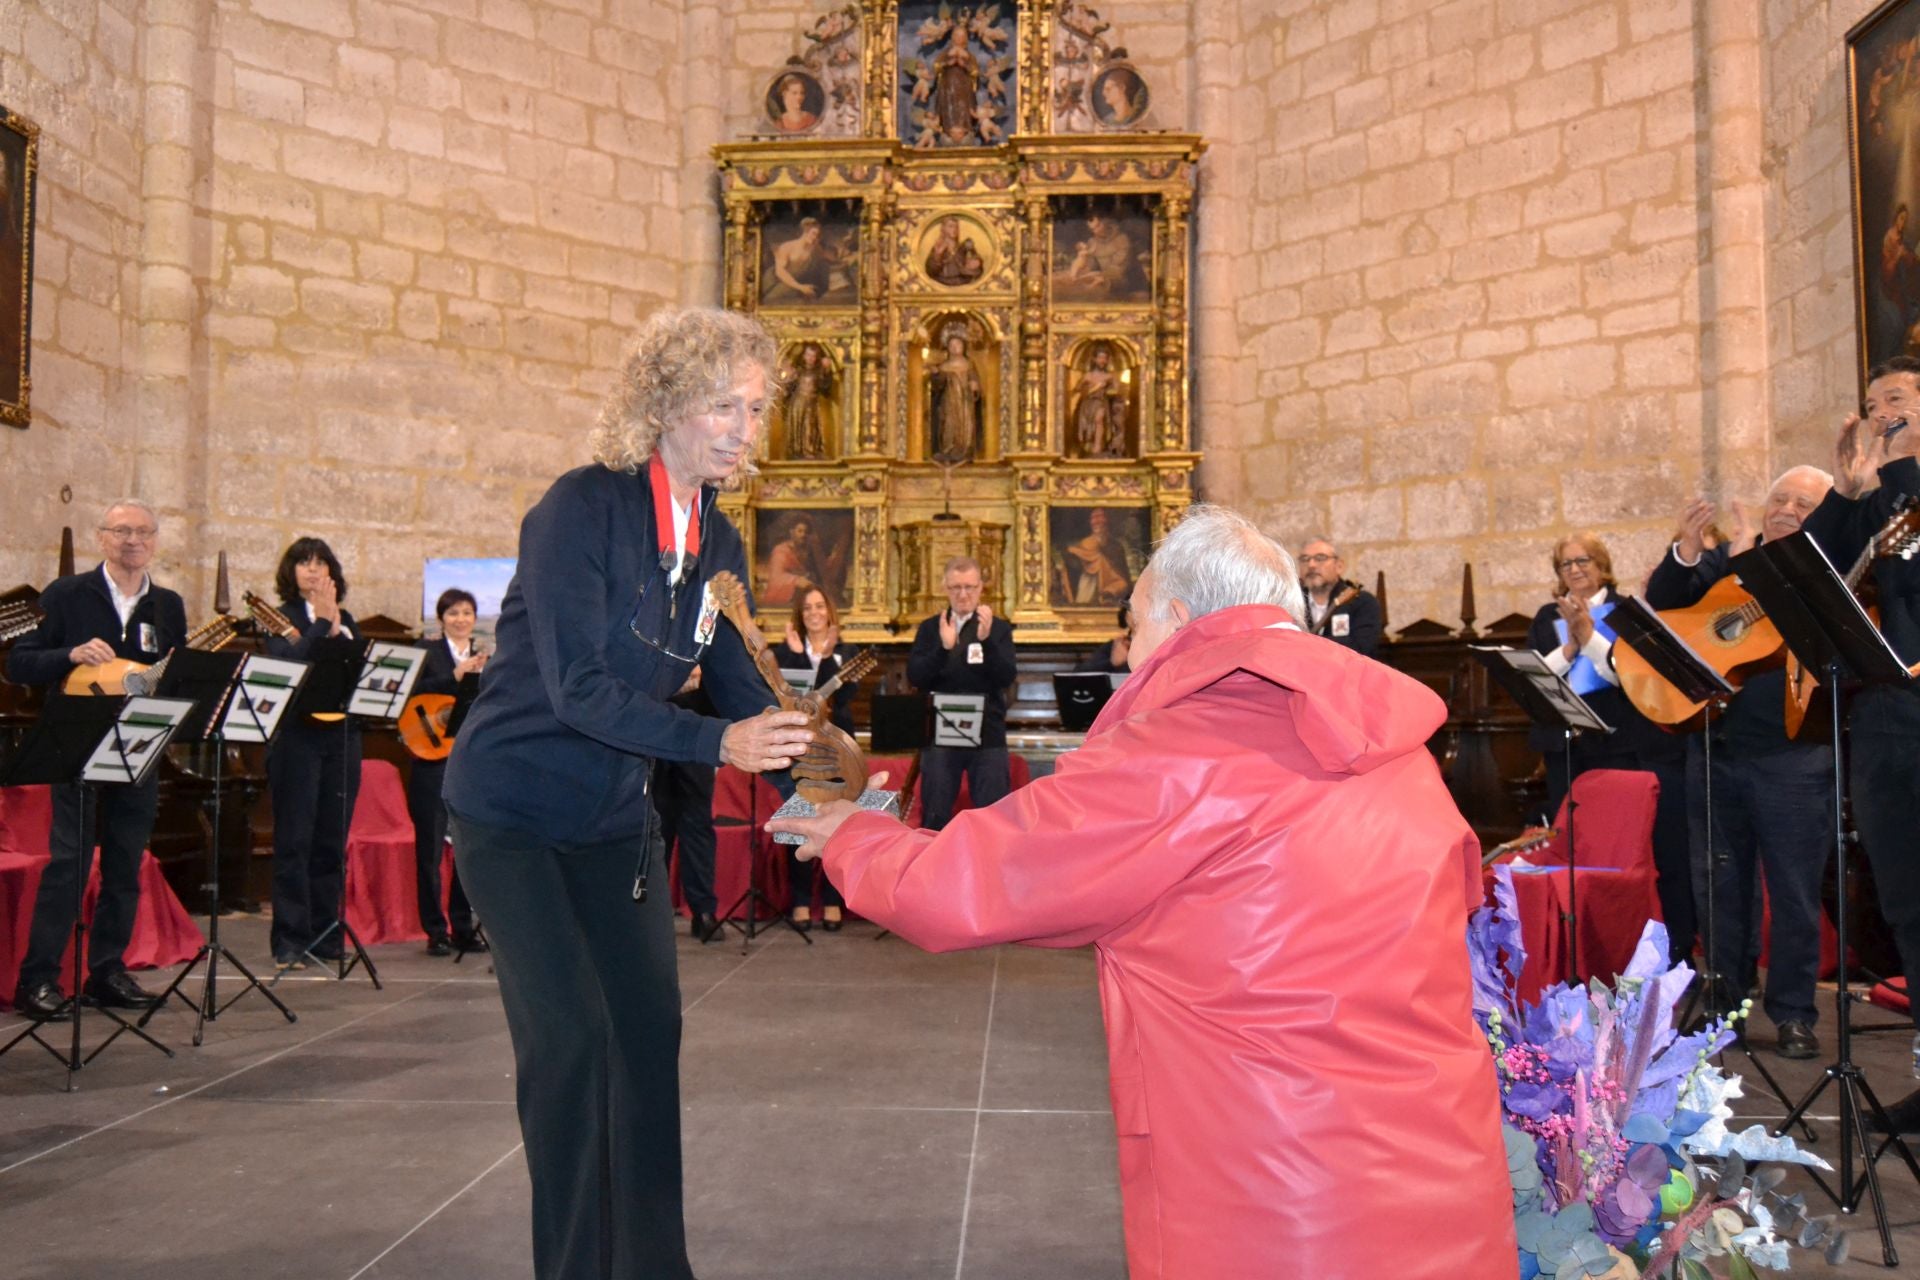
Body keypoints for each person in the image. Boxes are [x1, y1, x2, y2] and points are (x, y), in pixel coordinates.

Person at [770, 505, 1515, 1279]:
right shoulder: (1395, 747)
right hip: (1442, 1168)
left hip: (1285, 1195)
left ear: (1183, 619)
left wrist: (856, 836)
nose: (1128, 653)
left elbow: (977, 882)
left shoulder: (1191, 739)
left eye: (1133, 626)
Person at [442, 306, 814, 1279]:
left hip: (612, 823)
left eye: (755, 407)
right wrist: (715, 740)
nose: (743, 426)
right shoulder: (581, 508)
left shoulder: (719, 541)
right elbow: (578, 690)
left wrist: (818, 788)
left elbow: (740, 691)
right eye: (722, 404)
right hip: (511, 812)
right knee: (570, 1040)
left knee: (647, 1038)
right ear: (664, 402)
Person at [1648, 476, 1834, 1058]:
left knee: (1795, 892)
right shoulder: (1733, 568)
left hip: (1793, 756)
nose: (1786, 510)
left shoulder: (1832, 571)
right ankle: (1727, 1001)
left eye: (1803, 505)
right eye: (1780, 500)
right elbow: (1669, 600)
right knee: (1719, 888)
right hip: (1715, 751)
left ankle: (1794, 1013)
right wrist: (1687, 549)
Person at [5, 499, 184, 1019]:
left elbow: (169, 675)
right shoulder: (67, 595)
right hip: (75, 744)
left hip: (138, 747)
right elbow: (18, 664)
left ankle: (106, 971)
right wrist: (70, 655)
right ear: (102, 538)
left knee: (127, 865)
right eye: (122, 531)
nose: (134, 541)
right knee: (69, 864)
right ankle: (37, 981)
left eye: (144, 532)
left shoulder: (167, 605)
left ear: (155, 541)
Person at [1801, 354, 1920, 1128]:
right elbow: (1811, 577)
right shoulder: (1880, 500)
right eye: (1873, 401)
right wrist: (1848, 493)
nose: (1882, 411)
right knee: (1909, 905)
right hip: (1886, 721)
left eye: (1899, 397)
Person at [1526, 532, 1694, 965]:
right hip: (1568, 749)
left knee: (1629, 848)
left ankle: (1655, 946)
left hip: (1624, 745)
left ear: (1601, 564)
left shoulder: (1624, 611)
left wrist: (1593, 638)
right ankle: (1584, 949)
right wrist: (1569, 645)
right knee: (1576, 847)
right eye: (1566, 564)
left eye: (1583, 560)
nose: (1575, 569)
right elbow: (1538, 677)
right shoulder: (1547, 616)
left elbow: (1631, 674)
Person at [265, 537, 363, 971]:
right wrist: (321, 625)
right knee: (295, 840)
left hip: (341, 737)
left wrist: (338, 625)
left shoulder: (350, 619)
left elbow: (360, 672)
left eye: (320, 561)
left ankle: (326, 934)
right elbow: (287, 666)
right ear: (291, 572)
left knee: (330, 841)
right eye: (303, 562)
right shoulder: (276, 617)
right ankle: (289, 938)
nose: (312, 569)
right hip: (296, 738)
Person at [405, 587, 488, 957]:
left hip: (469, 763)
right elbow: (409, 695)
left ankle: (462, 927)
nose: (460, 619)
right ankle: (434, 929)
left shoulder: (486, 657)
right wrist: (453, 676)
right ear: (441, 619)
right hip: (431, 760)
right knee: (430, 848)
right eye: (453, 613)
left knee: (467, 846)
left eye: (467, 613)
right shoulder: (426, 653)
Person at [905, 557, 1016, 831]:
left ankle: (991, 873)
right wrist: (943, 648)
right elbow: (916, 677)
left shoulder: (998, 628)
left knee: (994, 818)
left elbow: (1006, 677)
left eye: (969, 587)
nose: (963, 594)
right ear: (945, 587)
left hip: (988, 735)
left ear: (980, 588)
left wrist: (987, 640)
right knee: (935, 816)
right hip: (941, 736)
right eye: (956, 587)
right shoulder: (931, 628)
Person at [775, 584, 859, 931]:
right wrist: (796, 656)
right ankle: (799, 899)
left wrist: (823, 657)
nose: (813, 613)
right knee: (799, 821)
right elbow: (788, 696)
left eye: (819, 606)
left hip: (836, 747)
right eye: (807, 607)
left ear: (829, 611)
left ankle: (830, 899)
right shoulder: (785, 652)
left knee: (837, 823)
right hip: (799, 747)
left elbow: (840, 695)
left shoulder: (845, 651)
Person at [1294, 537, 1383, 656]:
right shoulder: (1291, 604)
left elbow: (1361, 649)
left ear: (1339, 566)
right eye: (1305, 559)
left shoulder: (1362, 603)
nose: (1311, 565)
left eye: (1320, 558)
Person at [1056, 507, 1135, 605]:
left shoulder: (1116, 546)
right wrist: (1069, 556)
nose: (1097, 522)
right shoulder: (1086, 543)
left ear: (1107, 522)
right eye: (1094, 518)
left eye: (1100, 518)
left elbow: (1123, 573)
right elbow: (1075, 564)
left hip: (1111, 587)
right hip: (1088, 582)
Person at [927, 328, 982, 462]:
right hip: (949, 402)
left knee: (965, 424)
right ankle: (948, 449)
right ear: (947, 348)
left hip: (965, 402)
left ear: (963, 347)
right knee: (948, 424)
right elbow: (937, 386)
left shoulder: (969, 365)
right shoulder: (943, 366)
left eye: (958, 344)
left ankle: (964, 449)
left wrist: (974, 386)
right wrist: (935, 374)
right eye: (952, 345)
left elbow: (974, 380)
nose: (955, 347)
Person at [1068, 343, 1127, 457]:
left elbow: (1117, 391)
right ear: (1094, 359)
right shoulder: (1087, 376)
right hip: (1088, 404)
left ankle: (1098, 446)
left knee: (1099, 419)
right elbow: (1076, 390)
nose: (1102, 361)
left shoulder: (1109, 377)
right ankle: (1089, 446)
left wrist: (1110, 390)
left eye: (1105, 358)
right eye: (1100, 358)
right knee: (1088, 426)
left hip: (1101, 403)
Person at [761, 515, 831, 608]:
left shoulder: (808, 551)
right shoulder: (781, 550)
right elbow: (776, 577)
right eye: (800, 531)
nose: (803, 535)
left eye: (806, 532)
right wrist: (797, 580)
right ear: (791, 532)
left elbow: (821, 572)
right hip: (782, 596)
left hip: (802, 596)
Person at [1074, 602, 1132, 674]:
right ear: (1126, 616)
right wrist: (1111, 663)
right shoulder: (1117, 646)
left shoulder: (1149, 646)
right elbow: (1080, 673)